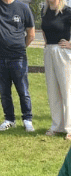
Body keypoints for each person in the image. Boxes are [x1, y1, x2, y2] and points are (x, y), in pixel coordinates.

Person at [41, 0, 71, 140]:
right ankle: (57, 126)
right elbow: (44, 29)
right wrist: (47, 43)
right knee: (53, 90)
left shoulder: (67, 11)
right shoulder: (45, 11)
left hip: (64, 53)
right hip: (49, 52)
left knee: (68, 90)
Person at [0, 0, 35, 132]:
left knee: (23, 90)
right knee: (4, 92)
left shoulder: (23, 8)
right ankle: (9, 119)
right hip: (1, 58)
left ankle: (27, 120)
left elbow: (31, 33)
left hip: (18, 57)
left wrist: (20, 48)